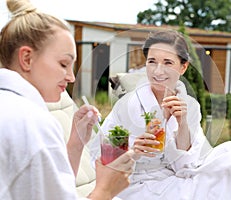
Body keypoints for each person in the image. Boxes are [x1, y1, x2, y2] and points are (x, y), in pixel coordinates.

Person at [92, 30, 231, 200]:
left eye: (168, 62)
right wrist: (134, 152)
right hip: (139, 187)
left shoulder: (189, 106)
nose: (158, 70)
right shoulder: (128, 105)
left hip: (178, 178)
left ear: (183, 67)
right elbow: (102, 159)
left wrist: (182, 123)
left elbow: (187, 165)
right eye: (152, 62)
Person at [0, 0, 135, 199]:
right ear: (27, 58)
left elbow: (50, 190)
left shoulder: (11, 109)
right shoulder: (32, 123)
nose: (71, 77)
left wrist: (76, 142)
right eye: (64, 64)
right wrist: (106, 190)